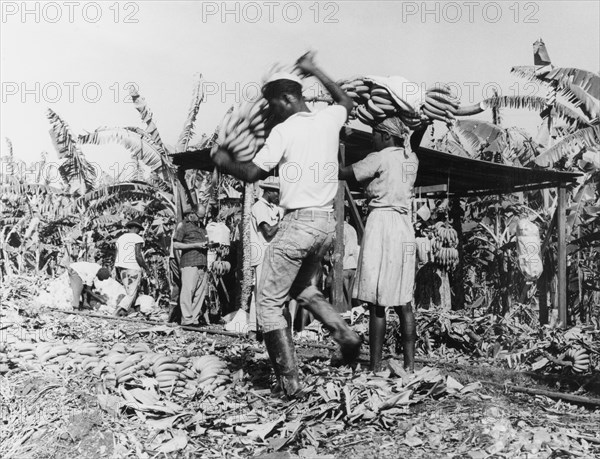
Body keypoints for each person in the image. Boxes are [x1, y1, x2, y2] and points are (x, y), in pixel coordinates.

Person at [212, 51, 361, 397]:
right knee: (299, 289)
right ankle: (344, 332)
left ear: (286, 97)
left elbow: (251, 173)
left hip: (297, 224)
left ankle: (289, 383)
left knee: (267, 303)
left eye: (272, 104)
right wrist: (315, 69)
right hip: (326, 225)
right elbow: (345, 99)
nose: (270, 112)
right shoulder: (327, 119)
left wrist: (224, 160)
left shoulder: (285, 130)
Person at [339, 117, 426, 373]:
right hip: (403, 225)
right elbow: (414, 143)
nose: (372, 139)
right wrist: (423, 123)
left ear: (387, 136)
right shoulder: (411, 160)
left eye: (375, 134)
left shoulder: (379, 157)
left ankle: (375, 367)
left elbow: (343, 173)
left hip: (381, 225)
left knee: (378, 302)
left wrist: (335, 144)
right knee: (403, 301)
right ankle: (410, 365)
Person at [249, 176, 281, 337]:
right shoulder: (260, 207)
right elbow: (268, 232)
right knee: (263, 293)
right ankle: (261, 328)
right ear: (269, 191)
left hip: (267, 254)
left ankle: (256, 328)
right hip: (262, 254)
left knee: (262, 292)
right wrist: (282, 222)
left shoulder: (269, 207)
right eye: (277, 193)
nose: (278, 196)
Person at [172, 204, 210, 326]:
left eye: (203, 217)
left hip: (202, 263)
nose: (201, 219)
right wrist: (195, 245)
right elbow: (176, 245)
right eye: (199, 217)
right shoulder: (183, 225)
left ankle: (193, 319)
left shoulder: (202, 227)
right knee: (188, 291)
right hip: (189, 262)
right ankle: (187, 319)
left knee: (200, 293)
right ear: (192, 213)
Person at [114, 219, 148, 316]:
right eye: (139, 230)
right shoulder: (137, 238)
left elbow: (117, 255)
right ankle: (116, 311)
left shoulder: (120, 238)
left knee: (129, 291)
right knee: (131, 293)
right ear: (135, 228)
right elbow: (138, 255)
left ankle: (130, 312)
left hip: (122, 268)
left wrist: (116, 270)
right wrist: (146, 268)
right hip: (133, 268)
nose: (139, 232)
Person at [342, 216, 360, 312]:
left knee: (343, 297)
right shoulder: (352, 228)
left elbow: (346, 248)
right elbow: (354, 247)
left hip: (344, 266)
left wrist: (341, 264)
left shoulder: (341, 229)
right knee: (349, 296)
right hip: (353, 265)